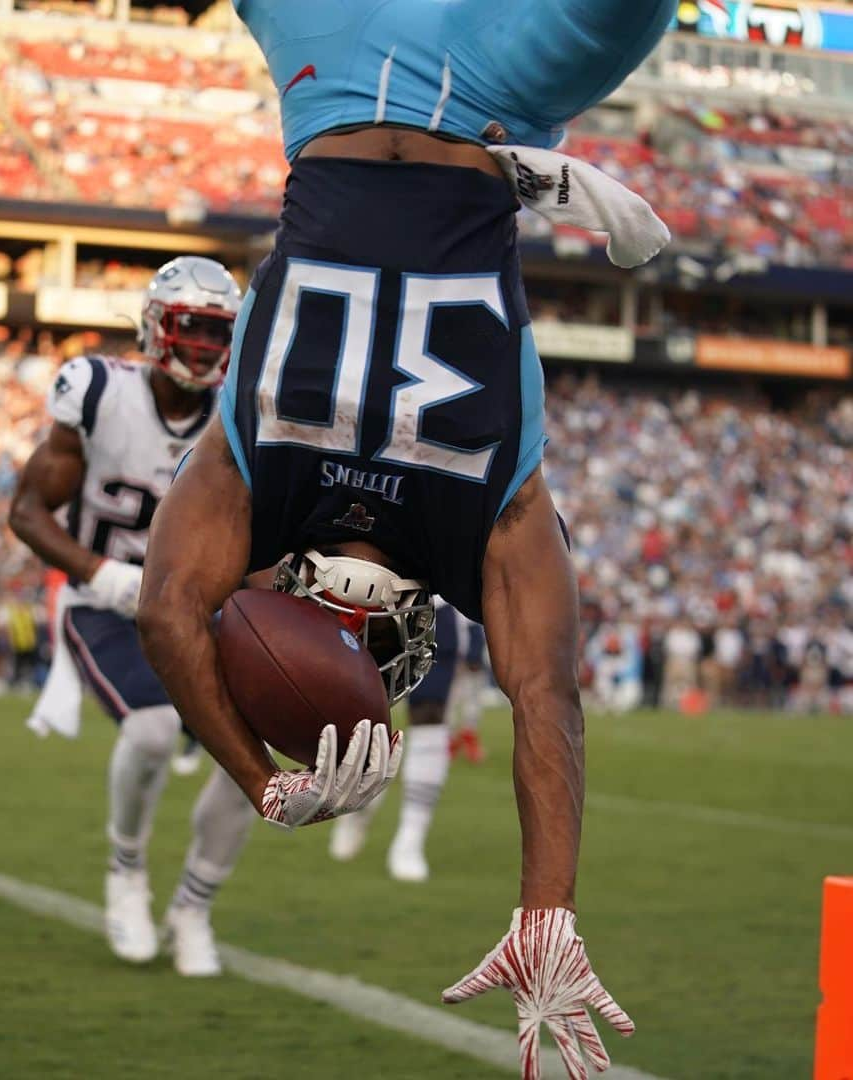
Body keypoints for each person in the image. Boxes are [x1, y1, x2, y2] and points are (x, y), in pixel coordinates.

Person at [138, 3, 676, 1075]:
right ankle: (530, 173)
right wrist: (546, 914)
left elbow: (166, 611)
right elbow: (545, 696)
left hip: (328, 66)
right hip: (489, 91)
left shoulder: (260, 490)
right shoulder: (482, 529)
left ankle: (534, 177)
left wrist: (264, 785)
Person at [9, 256, 256, 977]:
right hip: (108, 603)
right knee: (151, 732)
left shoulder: (244, 414)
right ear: (155, 327)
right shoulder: (94, 392)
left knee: (258, 759)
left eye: (219, 334)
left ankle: (194, 908)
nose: (206, 349)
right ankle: (125, 872)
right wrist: (103, 575)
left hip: (201, 609)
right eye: (192, 330)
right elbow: (27, 512)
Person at [328, 600, 482, 882]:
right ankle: (360, 801)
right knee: (363, 712)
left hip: (439, 602)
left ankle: (410, 839)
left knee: (431, 716)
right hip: (378, 594)